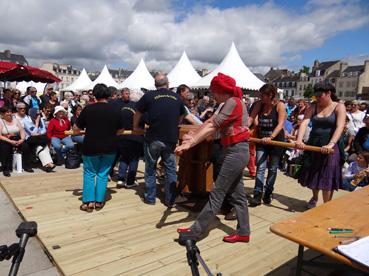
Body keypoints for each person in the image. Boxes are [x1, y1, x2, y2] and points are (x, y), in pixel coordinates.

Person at [176, 73, 251, 244]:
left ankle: (195, 232)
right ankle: (244, 232)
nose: (212, 94)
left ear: (222, 90)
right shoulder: (230, 102)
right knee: (238, 196)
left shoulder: (233, 102)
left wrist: (190, 143)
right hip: (235, 151)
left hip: (236, 152)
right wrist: (193, 135)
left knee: (217, 193)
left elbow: (212, 125)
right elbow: (210, 121)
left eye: (214, 91)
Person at [133, 73, 186, 206]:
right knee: (170, 170)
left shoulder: (149, 96)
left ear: (155, 85)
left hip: (153, 138)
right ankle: (170, 200)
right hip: (170, 138)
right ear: (168, 84)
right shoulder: (176, 97)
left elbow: (137, 112)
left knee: (150, 168)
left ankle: (150, 198)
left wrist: (135, 127)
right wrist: (175, 124)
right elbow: (183, 114)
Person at [74, 83, 124, 212]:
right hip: (110, 146)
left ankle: (88, 201)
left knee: (89, 173)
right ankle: (99, 201)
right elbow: (121, 130)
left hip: (91, 146)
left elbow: (76, 129)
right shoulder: (116, 109)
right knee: (103, 174)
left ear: (94, 95)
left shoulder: (88, 109)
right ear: (107, 94)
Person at [296, 82, 346, 208]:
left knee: (327, 175)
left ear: (329, 93)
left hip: (331, 146)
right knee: (314, 172)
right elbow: (304, 122)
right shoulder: (313, 106)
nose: (317, 98)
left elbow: (340, 127)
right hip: (314, 143)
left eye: (320, 95)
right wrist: (299, 140)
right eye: (316, 96)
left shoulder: (339, 106)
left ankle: (326, 206)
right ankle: (314, 197)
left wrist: (331, 144)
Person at [248, 84, 287, 206]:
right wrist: (243, 127)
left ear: (271, 95)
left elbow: (280, 124)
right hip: (261, 141)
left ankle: (268, 192)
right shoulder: (259, 104)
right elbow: (251, 118)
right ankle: (257, 194)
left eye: (263, 95)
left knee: (273, 168)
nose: (261, 97)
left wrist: (271, 137)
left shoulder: (279, 106)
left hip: (276, 141)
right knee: (260, 166)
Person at [115, 88, 144, 188]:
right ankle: (130, 181)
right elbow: (143, 122)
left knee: (124, 158)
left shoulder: (120, 107)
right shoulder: (138, 109)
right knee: (133, 159)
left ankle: (121, 179)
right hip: (134, 137)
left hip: (122, 136)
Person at [0, 106, 32, 176]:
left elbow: (22, 131)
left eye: (10, 112)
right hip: (5, 139)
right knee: (5, 148)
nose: (9, 113)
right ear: (2, 114)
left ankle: (26, 166)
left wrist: (22, 139)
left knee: (26, 146)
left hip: (16, 138)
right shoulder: (0, 121)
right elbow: (0, 136)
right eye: (7, 112)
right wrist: (10, 141)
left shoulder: (15, 119)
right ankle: (6, 168)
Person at [23, 108, 55, 172]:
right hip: (29, 139)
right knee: (42, 143)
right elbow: (33, 133)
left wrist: (38, 133)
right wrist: (37, 123)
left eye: (38, 115)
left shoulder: (41, 119)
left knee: (40, 147)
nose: (38, 116)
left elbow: (44, 131)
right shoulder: (26, 121)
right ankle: (49, 164)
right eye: (36, 115)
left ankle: (48, 165)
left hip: (39, 138)